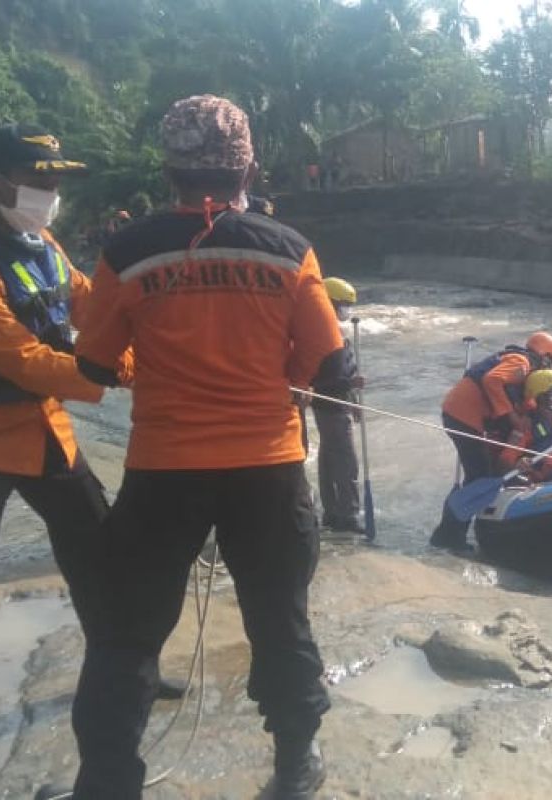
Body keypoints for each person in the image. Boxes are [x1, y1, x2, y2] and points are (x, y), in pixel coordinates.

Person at [71, 95, 341, 799]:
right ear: (248, 164)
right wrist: (289, 377)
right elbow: (329, 360)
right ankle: (293, 767)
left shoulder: (125, 252)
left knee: (125, 635)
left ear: (169, 173)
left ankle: (107, 783)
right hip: (268, 469)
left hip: (163, 472)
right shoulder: (288, 249)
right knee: (280, 622)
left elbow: (95, 367)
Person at [0, 126, 190, 715]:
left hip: (42, 435)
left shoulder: (43, 245)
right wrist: (111, 376)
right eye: (38, 180)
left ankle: (128, 671)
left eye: (55, 181)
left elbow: (91, 302)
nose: (50, 191)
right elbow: (18, 357)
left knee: (102, 558)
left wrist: (135, 355)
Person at [431, 331, 552, 550]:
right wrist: (510, 415)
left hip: (463, 414)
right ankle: (448, 537)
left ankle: (452, 534)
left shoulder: (521, 369)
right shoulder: (521, 362)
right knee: (479, 476)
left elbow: (521, 400)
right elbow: (492, 380)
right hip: (463, 416)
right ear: (546, 357)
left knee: (479, 474)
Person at [312, 277, 363, 533]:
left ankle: (332, 513)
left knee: (329, 458)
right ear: (329, 302)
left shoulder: (334, 331)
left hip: (335, 403)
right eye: (343, 304)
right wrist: (349, 383)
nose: (346, 310)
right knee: (345, 461)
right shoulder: (323, 334)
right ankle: (348, 516)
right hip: (330, 405)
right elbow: (323, 377)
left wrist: (353, 398)